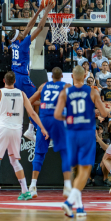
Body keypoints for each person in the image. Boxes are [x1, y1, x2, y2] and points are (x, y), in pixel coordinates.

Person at [0, 72, 48, 201]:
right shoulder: (22, 93)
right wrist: (42, 128)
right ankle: (25, 191)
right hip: (16, 130)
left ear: (4, 80)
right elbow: (32, 113)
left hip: (3, 127)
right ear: (15, 81)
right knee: (14, 161)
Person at [54, 65, 109, 218]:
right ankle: (69, 202)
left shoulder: (65, 92)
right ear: (85, 76)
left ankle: (79, 207)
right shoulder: (92, 92)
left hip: (71, 134)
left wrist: (70, 118)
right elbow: (104, 113)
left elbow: (58, 114)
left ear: (72, 76)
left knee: (76, 171)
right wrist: (95, 110)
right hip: (86, 133)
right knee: (84, 171)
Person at [27, 67, 72, 198]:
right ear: (62, 76)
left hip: (44, 121)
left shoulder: (43, 86)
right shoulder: (66, 86)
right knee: (65, 153)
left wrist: (42, 104)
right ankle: (67, 187)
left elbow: (29, 102)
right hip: (58, 120)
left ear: (51, 76)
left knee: (39, 154)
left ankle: (33, 186)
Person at [11, 4, 52, 142]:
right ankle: (32, 127)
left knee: (31, 101)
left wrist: (38, 11)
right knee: (34, 98)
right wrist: (46, 12)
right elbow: (39, 28)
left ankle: (30, 128)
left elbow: (29, 26)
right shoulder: (23, 44)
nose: (24, 32)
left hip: (15, 76)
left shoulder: (15, 43)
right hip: (22, 77)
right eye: (21, 32)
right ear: (19, 37)